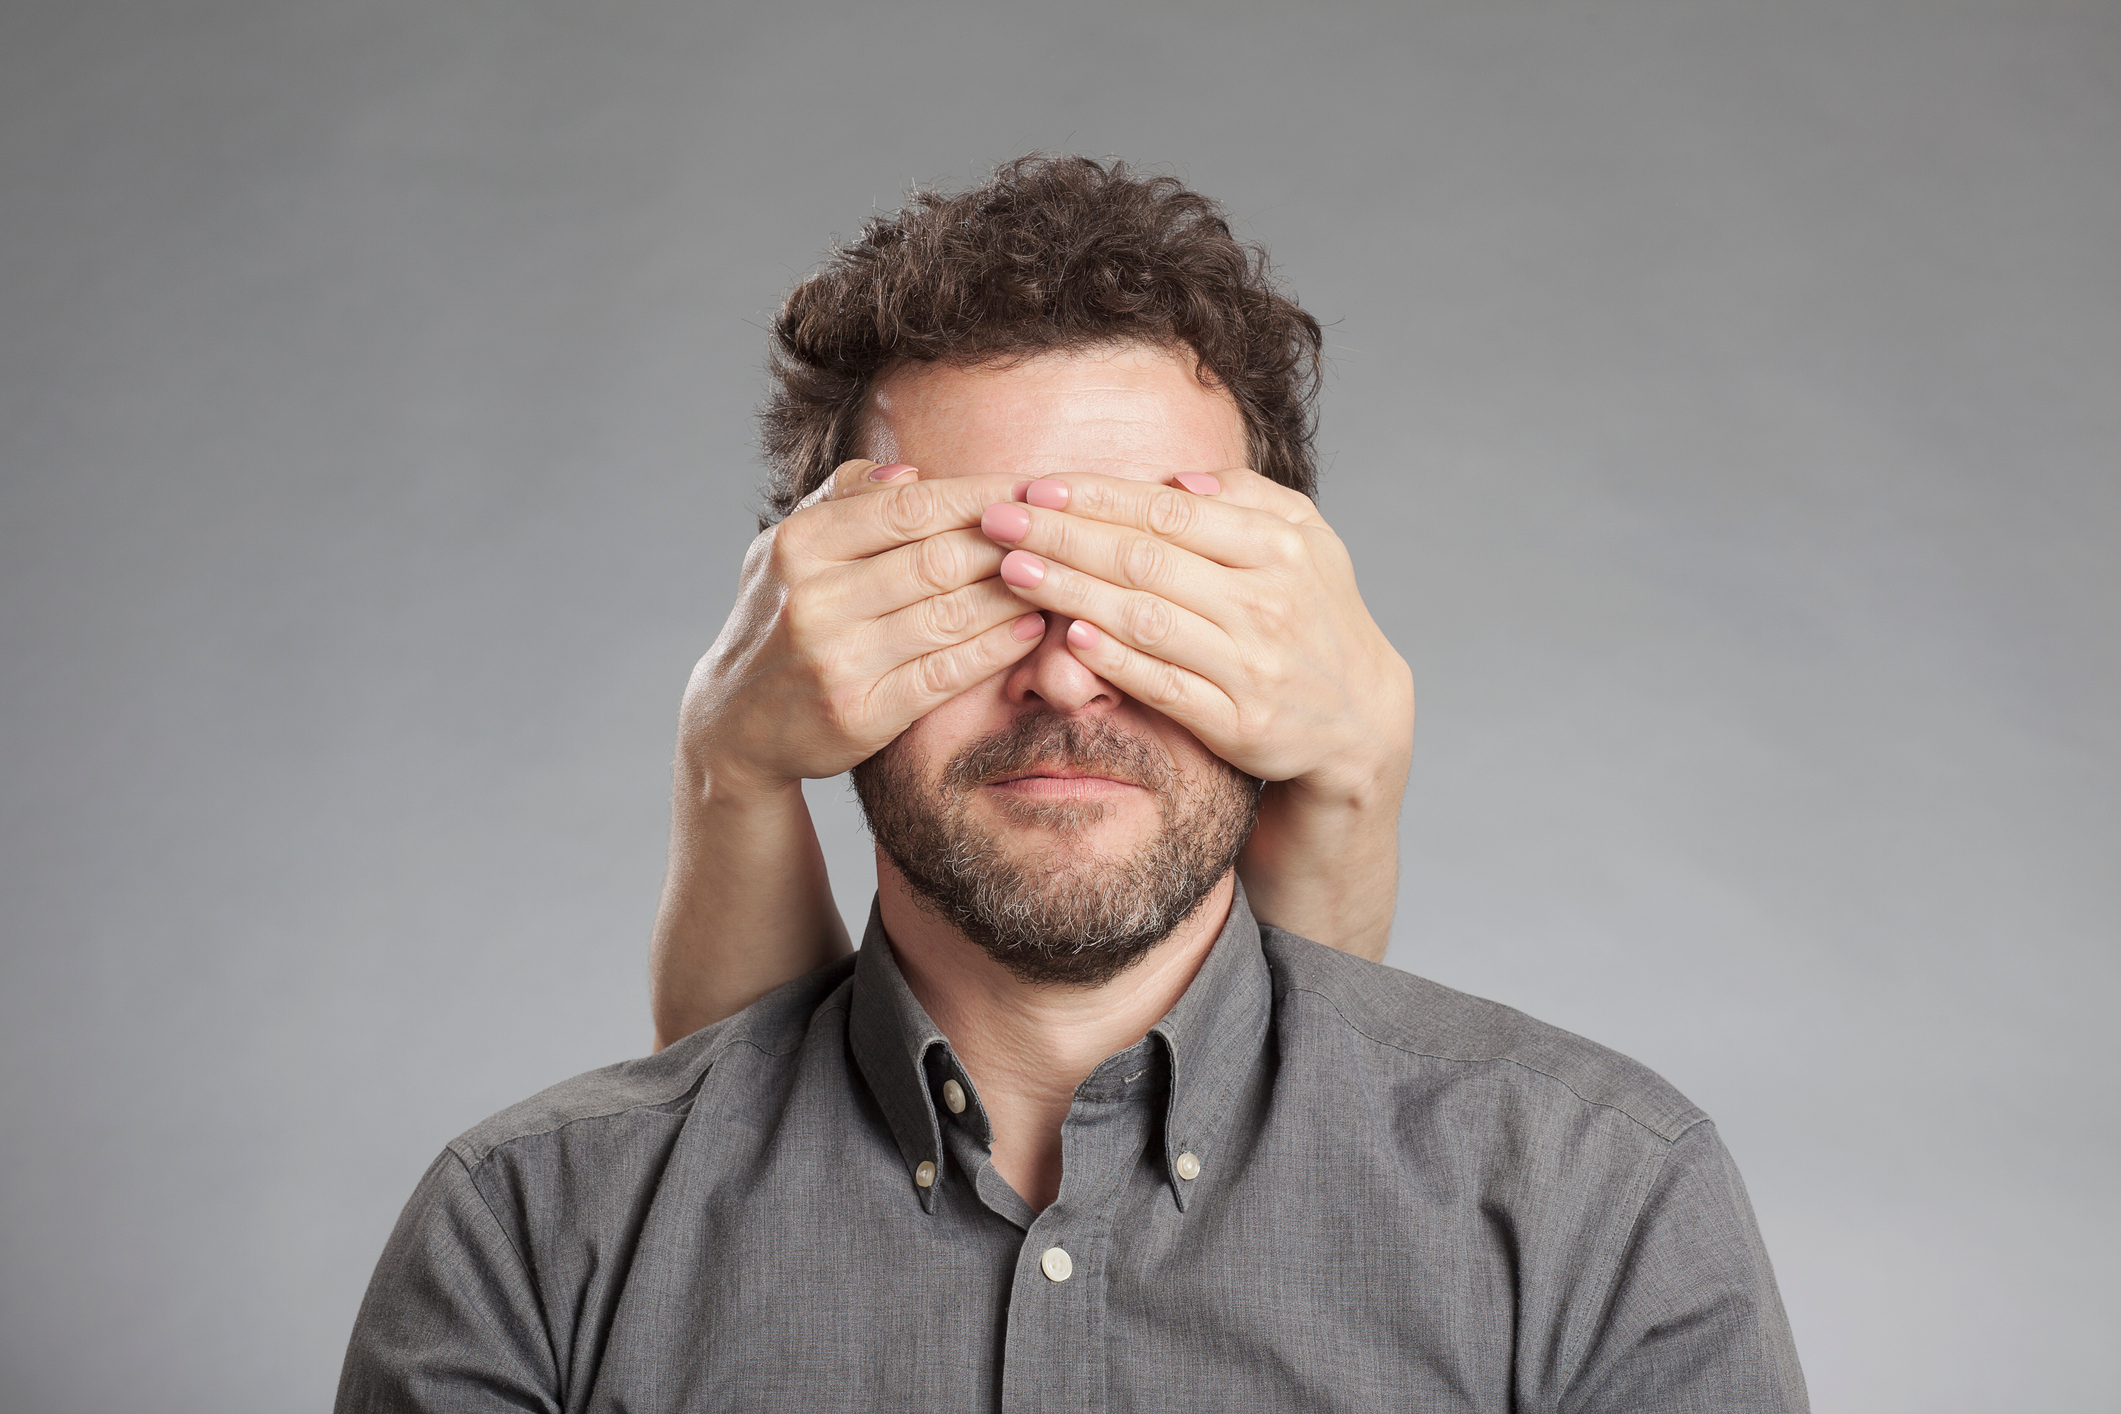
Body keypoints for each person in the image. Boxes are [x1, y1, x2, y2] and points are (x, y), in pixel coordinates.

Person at [337, 156, 1807, 1412]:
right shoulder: (527, 1233)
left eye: (1155, 593)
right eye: (964, 592)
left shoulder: (1600, 1200)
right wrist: (728, 754)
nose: (1063, 675)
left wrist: (1358, 750)